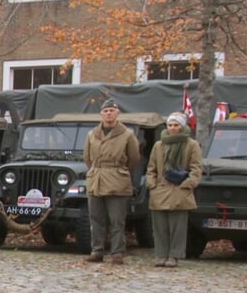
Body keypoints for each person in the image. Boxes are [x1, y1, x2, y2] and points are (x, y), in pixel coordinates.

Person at [83, 98, 141, 265]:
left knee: (117, 220)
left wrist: (118, 170)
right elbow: (87, 158)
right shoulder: (92, 134)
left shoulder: (127, 134)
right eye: (105, 111)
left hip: (117, 180)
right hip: (96, 179)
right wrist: (96, 170)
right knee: (96, 219)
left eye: (111, 110)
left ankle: (117, 252)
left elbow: (134, 158)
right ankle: (97, 250)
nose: (108, 113)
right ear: (101, 114)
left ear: (118, 113)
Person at [145, 112, 201, 268]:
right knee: (160, 227)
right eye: (170, 125)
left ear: (182, 126)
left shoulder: (191, 144)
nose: (173, 128)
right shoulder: (158, 145)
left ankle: (174, 256)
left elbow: (196, 169)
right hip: (160, 190)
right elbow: (151, 167)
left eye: (176, 125)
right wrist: (151, 184)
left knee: (178, 227)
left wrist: (187, 184)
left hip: (180, 190)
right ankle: (161, 255)